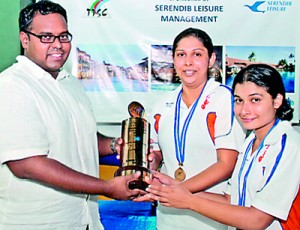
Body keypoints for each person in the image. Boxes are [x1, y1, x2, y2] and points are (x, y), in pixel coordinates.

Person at [0, 1, 142, 229]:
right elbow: (26, 164)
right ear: (25, 39)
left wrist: (117, 145)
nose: (58, 45)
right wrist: (106, 187)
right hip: (38, 223)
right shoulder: (12, 86)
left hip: (84, 220)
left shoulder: (70, 83)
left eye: (63, 36)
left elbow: (81, 136)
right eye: (46, 37)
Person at [146, 64, 300, 229]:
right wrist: (175, 188)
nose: (244, 110)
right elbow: (229, 199)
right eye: (239, 100)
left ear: (277, 100)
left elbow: (257, 220)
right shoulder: (251, 142)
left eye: (255, 100)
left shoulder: (288, 145)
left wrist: (189, 201)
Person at [141, 27, 245, 229]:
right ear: (173, 60)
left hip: (213, 214)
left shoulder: (225, 99)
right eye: (181, 55)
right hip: (169, 213)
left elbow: (226, 164)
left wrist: (178, 190)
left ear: (211, 59)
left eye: (197, 54)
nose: (188, 62)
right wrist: (149, 165)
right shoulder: (163, 103)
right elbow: (158, 153)